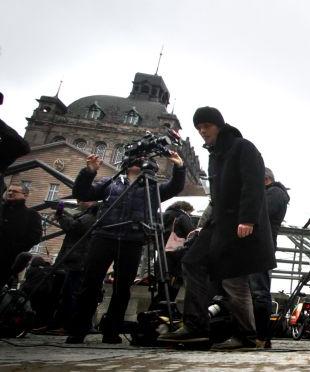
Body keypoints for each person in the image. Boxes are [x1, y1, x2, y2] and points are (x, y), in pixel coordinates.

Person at [160, 106, 275, 350]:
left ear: (219, 126)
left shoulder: (242, 147)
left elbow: (253, 184)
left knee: (234, 282)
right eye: (199, 128)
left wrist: (248, 219)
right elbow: (218, 198)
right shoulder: (214, 155)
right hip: (220, 225)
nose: (202, 131)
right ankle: (197, 326)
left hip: (239, 225)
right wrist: (204, 226)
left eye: (207, 126)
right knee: (193, 261)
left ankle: (246, 334)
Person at [65, 152, 185, 344]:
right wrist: (89, 172)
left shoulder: (151, 187)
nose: (138, 161)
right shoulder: (110, 182)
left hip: (132, 239)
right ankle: (78, 329)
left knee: (123, 288)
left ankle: (112, 331)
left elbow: (175, 187)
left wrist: (179, 168)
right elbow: (82, 193)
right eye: (135, 159)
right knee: (90, 284)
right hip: (104, 236)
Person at [249, 167, 289, 348]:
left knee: (259, 292)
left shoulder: (275, 193)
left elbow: (259, 214)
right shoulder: (272, 193)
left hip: (260, 247)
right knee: (256, 291)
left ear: (265, 180)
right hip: (258, 247)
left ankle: (262, 336)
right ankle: (259, 336)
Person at [45, 201, 99, 333]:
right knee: (67, 294)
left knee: (71, 294)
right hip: (76, 260)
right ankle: (59, 324)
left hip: (78, 261)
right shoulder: (88, 216)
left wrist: (61, 216)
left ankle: (67, 325)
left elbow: (73, 227)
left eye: (84, 199)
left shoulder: (90, 217)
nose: (80, 201)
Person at [0, 184, 43, 287]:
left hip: (7, 261)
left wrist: (15, 249)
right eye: (9, 191)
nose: (10, 193)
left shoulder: (31, 215)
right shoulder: (1, 210)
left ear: (25, 195)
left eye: (14, 191)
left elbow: (35, 237)